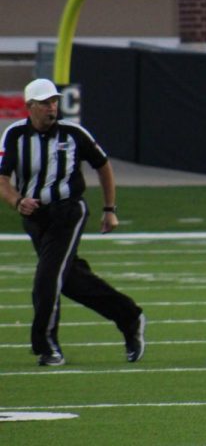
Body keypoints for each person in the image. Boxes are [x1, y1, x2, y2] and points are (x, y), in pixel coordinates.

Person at [0, 78, 145, 366]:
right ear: (30, 106)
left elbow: (103, 166)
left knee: (47, 278)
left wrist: (109, 208)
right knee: (70, 281)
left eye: (53, 101)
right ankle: (130, 317)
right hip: (34, 216)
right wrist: (17, 201)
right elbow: (2, 179)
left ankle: (46, 345)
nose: (51, 107)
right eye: (44, 103)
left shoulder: (73, 133)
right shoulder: (14, 135)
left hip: (68, 212)